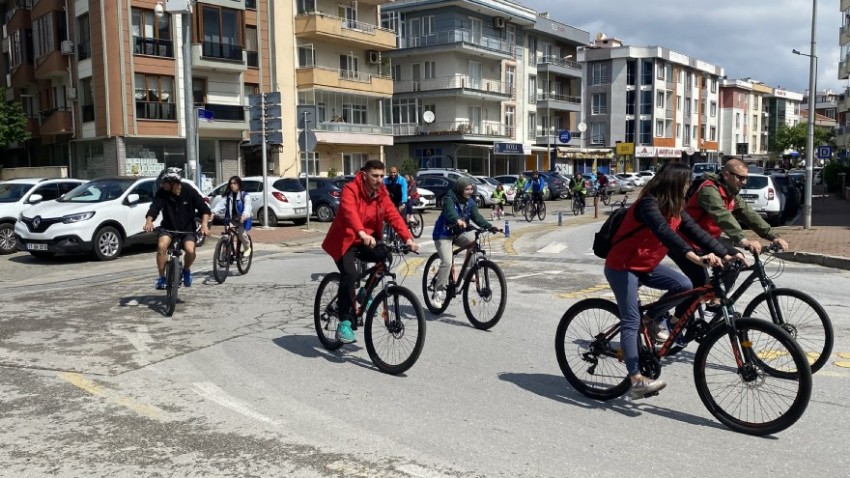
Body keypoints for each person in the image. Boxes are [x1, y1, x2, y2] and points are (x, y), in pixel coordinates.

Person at [604, 162, 739, 399]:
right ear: (675, 183)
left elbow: (696, 232)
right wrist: (695, 257)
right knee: (631, 321)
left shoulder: (676, 207)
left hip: (646, 265)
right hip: (623, 266)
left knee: (686, 286)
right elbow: (665, 234)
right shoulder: (648, 205)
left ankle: (650, 319)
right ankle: (636, 381)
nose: (689, 187)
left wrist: (725, 253)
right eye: (687, 183)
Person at [322, 160, 419, 344]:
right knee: (350, 274)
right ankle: (344, 321)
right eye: (375, 176)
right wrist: (360, 231)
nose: (379, 180)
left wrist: (408, 238)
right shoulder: (351, 189)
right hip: (346, 239)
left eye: (382, 176)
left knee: (386, 258)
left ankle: (364, 295)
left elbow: (392, 214)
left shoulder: (381, 193)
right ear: (365, 175)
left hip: (367, 239)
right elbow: (349, 211)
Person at [431, 177, 498, 307]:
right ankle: (438, 293)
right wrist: (457, 219)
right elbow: (450, 212)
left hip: (458, 233)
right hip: (443, 234)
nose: (469, 191)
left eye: (471, 189)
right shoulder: (449, 199)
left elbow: (477, 217)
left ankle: (468, 271)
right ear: (460, 189)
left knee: (474, 239)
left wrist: (489, 226)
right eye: (466, 189)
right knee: (447, 261)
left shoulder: (470, 202)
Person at [144, 169, 211, 290]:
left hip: (187, 229)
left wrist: (205, 224)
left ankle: (186, 270)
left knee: (190, 250)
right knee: (161, 246)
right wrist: (149, 221)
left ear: (173, 183)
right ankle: (161, 277)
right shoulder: (162, 193)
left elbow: (204, 209)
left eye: (164, 182)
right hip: (168, 228)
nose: (162, 185)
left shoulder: (189, 191)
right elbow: (154, 208)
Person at [211, 175, 253, 257]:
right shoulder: (228, 196)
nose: (232, 185)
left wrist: (244, 215)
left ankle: (247, 248)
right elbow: (220, 205)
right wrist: (213, 212)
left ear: (239, 185)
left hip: (243, 219)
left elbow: (248, 207)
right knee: (226, 235)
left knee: (241, 234)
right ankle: (226, 253)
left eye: (234, 183)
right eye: (231, 183)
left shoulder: (244, 195)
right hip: (231, 219)